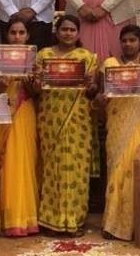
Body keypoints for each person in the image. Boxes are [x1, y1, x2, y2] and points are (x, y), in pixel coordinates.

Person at [96, 24, 140, 241]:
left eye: (132, 40)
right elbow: (100, 95)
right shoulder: (110, 65)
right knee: (116, 170)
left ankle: (138, 226)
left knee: (136, 169)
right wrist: (101, 99)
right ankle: (112, 224)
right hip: (117, 124)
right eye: (124, 40)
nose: (128, 44)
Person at [34, 15, 97, 236]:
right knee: (52, 168)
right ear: (56, 31)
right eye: (64, 29)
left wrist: (90, 85)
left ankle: (74, 220)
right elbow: (35, 91)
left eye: (72, 30)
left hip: (78, 120)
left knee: (76, 168)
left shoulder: (86, 57)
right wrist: (37, 81)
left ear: (78, 33)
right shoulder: (43, 55)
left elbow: (92, 92)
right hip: (50, 119)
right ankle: (50, 220)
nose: (68, 33)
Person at [0, 19, 39, 237]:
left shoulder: (34, 60)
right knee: (8, 162)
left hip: (25, 111)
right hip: (4, 111)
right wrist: (0, 84)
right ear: (7, 35)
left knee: (25, 162)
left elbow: (36, 92)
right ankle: (9, 217)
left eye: (21, 33)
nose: (17, 37)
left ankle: (26, 218)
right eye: (13, 32)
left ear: (27, 36)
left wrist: (30, 80)